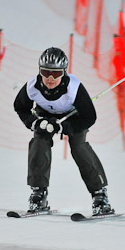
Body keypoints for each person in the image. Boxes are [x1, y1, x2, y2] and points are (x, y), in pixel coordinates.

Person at [14, 47, 114, 215]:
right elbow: (20, 107)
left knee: (79, 146)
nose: (50, 78)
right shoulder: (32, 86)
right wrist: (35, 123)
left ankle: (100, 195)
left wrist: (65, 127)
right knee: (39, 141)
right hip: (44, 117)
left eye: (56, 73)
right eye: (45, 73)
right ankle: (39, 194)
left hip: (74, 117)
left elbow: (90, 117)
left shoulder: (74, 88)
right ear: (39, 71)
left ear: (64, 73)